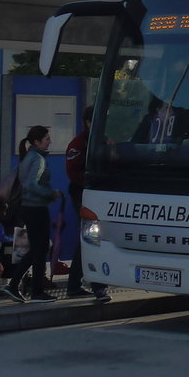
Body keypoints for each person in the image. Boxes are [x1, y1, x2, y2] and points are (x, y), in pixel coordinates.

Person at [2, 126, 63, 303]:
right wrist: (50, 193)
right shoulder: (37, 159)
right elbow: (30, 184)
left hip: (27, 207)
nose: (50, 142)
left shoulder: (29, 157)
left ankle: (14, 285)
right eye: (46, 139)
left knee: (37, 249)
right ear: (36, 142)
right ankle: (36, 291)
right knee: (41, 249)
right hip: (36, 208)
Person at [64, 107, 110, 303]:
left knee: (92, 239)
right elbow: (73, 172)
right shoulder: (79, 144)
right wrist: (93, 181)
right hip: (84, 194)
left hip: (101, 195)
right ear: (88, 122)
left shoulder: (104, 141)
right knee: (91, 238)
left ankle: (79, 285)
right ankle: (96, 286)